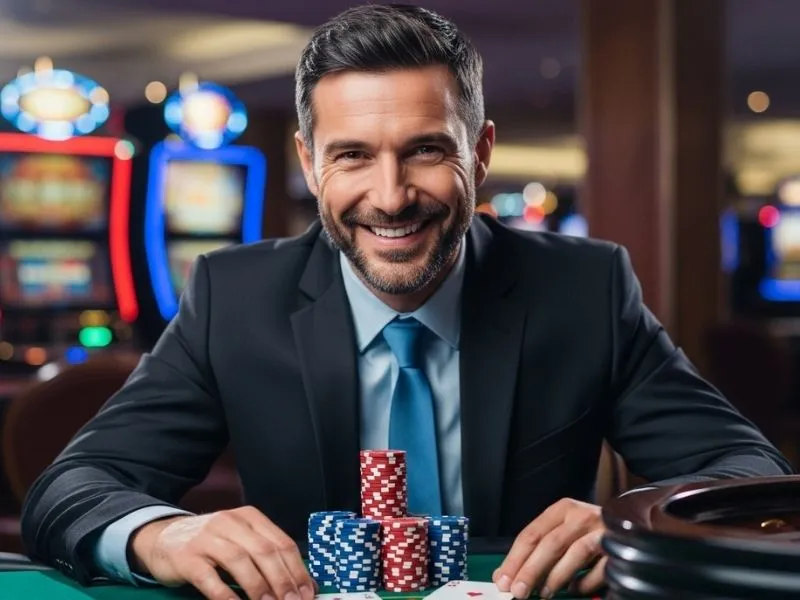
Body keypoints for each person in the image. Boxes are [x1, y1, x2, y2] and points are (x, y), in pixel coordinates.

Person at [21, 4, 792, 600]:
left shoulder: (584, 290)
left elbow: (748, 476)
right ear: (309, 163)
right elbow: (70, 489)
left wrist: (628, 526)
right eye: (353, 155)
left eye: (426, 150)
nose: (390, 198)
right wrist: (160, 536)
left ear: (480, 152)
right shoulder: (234, 295)